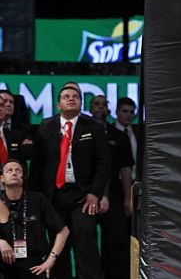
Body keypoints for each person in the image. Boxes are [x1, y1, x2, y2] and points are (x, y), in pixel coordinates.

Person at [29, 82, 110, 279]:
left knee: (85, 245)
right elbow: (38, 166)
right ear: (58, 104)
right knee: (58, 247)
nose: (71, 98)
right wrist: (34, 199)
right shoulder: (46, 126)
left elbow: (103, 163)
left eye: (75, 96)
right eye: (66, 96)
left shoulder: (94, 126)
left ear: (81, 103)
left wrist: (95, 193)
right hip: (53, 197)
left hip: (83, 196)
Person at [0, 159, 70, 278]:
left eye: (18, 170)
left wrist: (51, 259)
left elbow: (63, 231)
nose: (14, 173)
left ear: (23, 177)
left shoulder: (38, 200)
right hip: (5, 265)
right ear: (1, 178)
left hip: (36, 265)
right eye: (9, 170)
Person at [89, 94, 134, 279]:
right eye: (96, 105)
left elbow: (125, 170)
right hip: (87, 195)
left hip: (114, 196)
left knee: (116, 243)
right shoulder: (82, 133)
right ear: (90, 109)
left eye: (104, 105)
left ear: (109, 109)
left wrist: (128, 198)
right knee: (87, 243)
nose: (101, 108)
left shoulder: (119, 136)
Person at [113, 97, 139, 181]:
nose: (128, 115)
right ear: (116, 112)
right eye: (125, 111)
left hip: (137, 182)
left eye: (131, 112)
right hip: (115, 183)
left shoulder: (140, 133)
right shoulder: (109, 132)